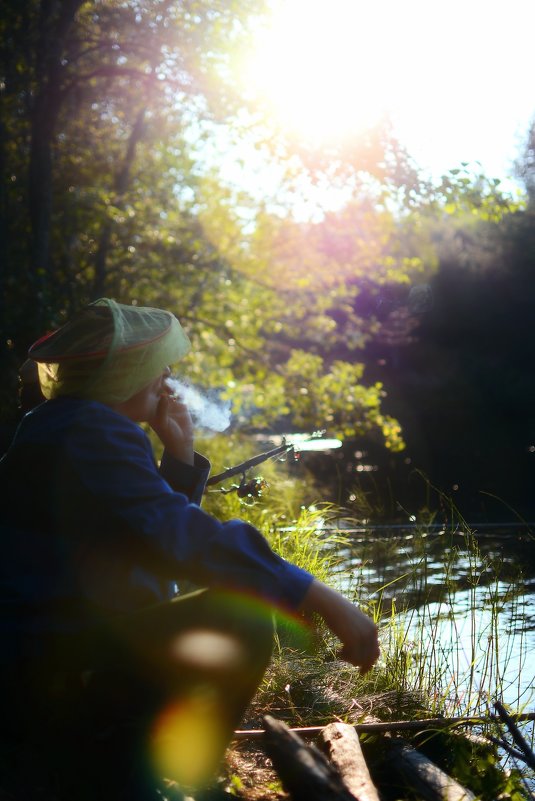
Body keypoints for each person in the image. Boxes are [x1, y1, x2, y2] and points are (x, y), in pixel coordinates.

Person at [0, 298, 379, 801]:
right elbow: (182, 537)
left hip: (40, 660)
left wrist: (178, 457)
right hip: (52, 668)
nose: (167, 377)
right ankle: (137, 778)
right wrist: (315, 593)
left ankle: (119, 762)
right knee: (238, 616)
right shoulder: (91, 430)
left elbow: (146, 548)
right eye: (157, 367)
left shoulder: (57, 424)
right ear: (124, 375)